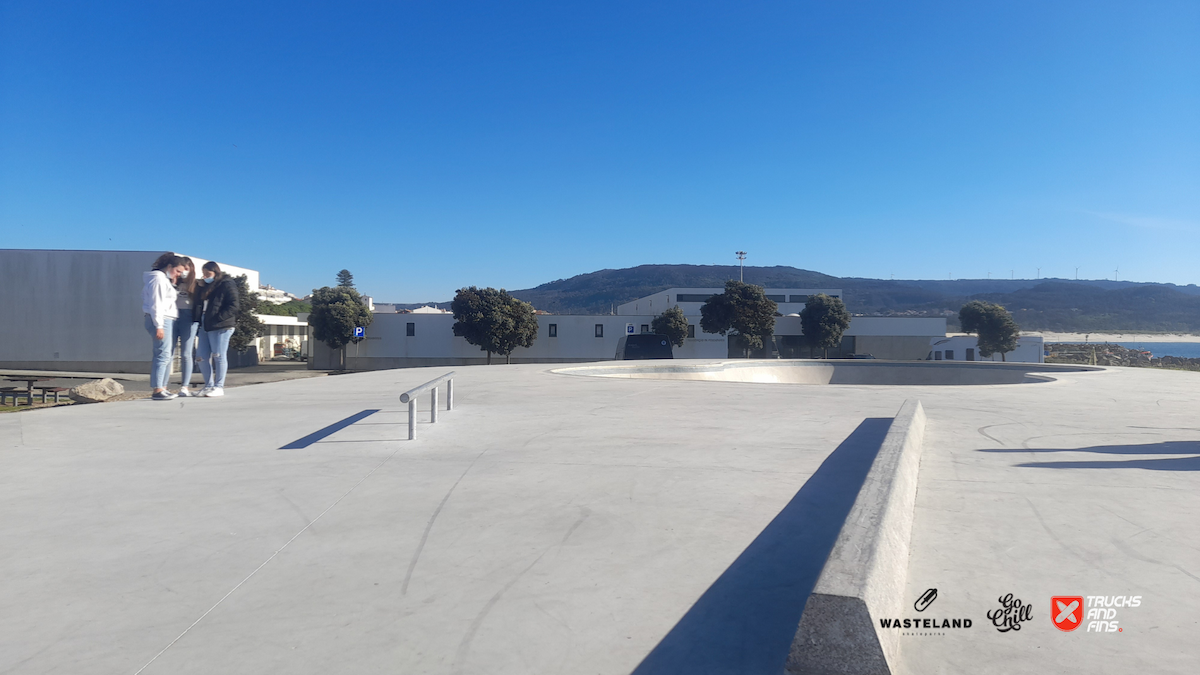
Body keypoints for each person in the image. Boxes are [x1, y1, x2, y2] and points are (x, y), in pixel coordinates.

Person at [143, 252, 189, 400]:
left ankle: (162, 387)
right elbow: (157, 302)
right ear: (169, 266)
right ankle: (157, 389)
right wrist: (159, 325)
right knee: (162, 354)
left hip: (166, 318)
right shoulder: (158, 279)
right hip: (161, 319)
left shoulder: (164, 279)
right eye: (178, 271)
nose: (179, 274)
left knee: (166, 355)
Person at [195, 261, 239, 397]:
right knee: (201, 357)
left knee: (218, 355)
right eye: (203, 274)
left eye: (208, 274)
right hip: (205, 324)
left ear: (216, 272)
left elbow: (234, 305)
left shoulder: (226, 284)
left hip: (221, 325)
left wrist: (218, 318)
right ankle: (208, 385)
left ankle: (219, 386)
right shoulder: (206, 286)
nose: (205, 276)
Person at [170, 257, 200, 396]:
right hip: (173, 316)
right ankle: (163, 386)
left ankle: (185, 386)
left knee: (186, 353)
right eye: (182, 269)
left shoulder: (196, 284)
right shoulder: (172, 282)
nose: (184, 273)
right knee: (168, 352)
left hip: (189, 317)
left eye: (187, 270)